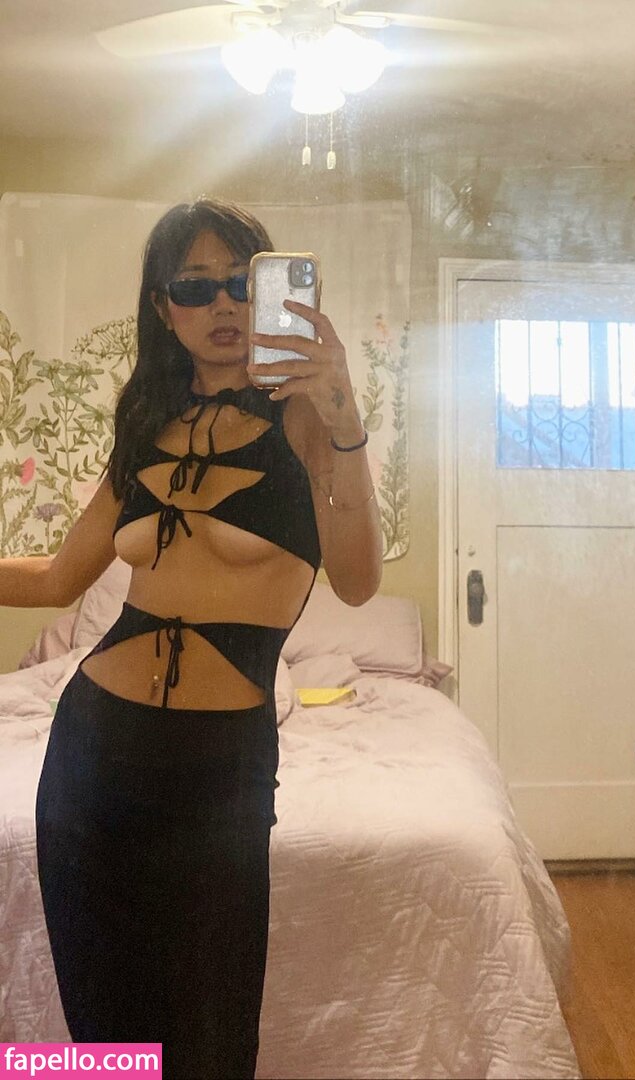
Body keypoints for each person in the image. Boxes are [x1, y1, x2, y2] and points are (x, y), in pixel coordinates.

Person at [0, 196, 382, 1078]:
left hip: (219, 765)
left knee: (211, 1038)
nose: (222, 304)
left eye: (242, 283)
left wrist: (345, 417)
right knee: (108, 1033)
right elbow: (57, 580)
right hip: (91, 750)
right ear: (163, 308)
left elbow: (358, 580)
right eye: (194, 286)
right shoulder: (144, 428)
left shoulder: (303, 420)